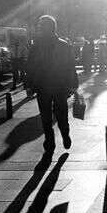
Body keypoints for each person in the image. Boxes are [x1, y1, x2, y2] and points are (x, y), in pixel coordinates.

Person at [29, 15, 78, 154]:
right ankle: (56, 138)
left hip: (52, 86)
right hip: (53, 86)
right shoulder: (55, 45)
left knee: (52, 115)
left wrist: (29, 84)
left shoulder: (54, 45)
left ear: (49, 28)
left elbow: (70, 66)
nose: (40, 28)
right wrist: (73, 84)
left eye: (42, 26)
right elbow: (31, 65)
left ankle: (58, 138)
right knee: (53, 115)